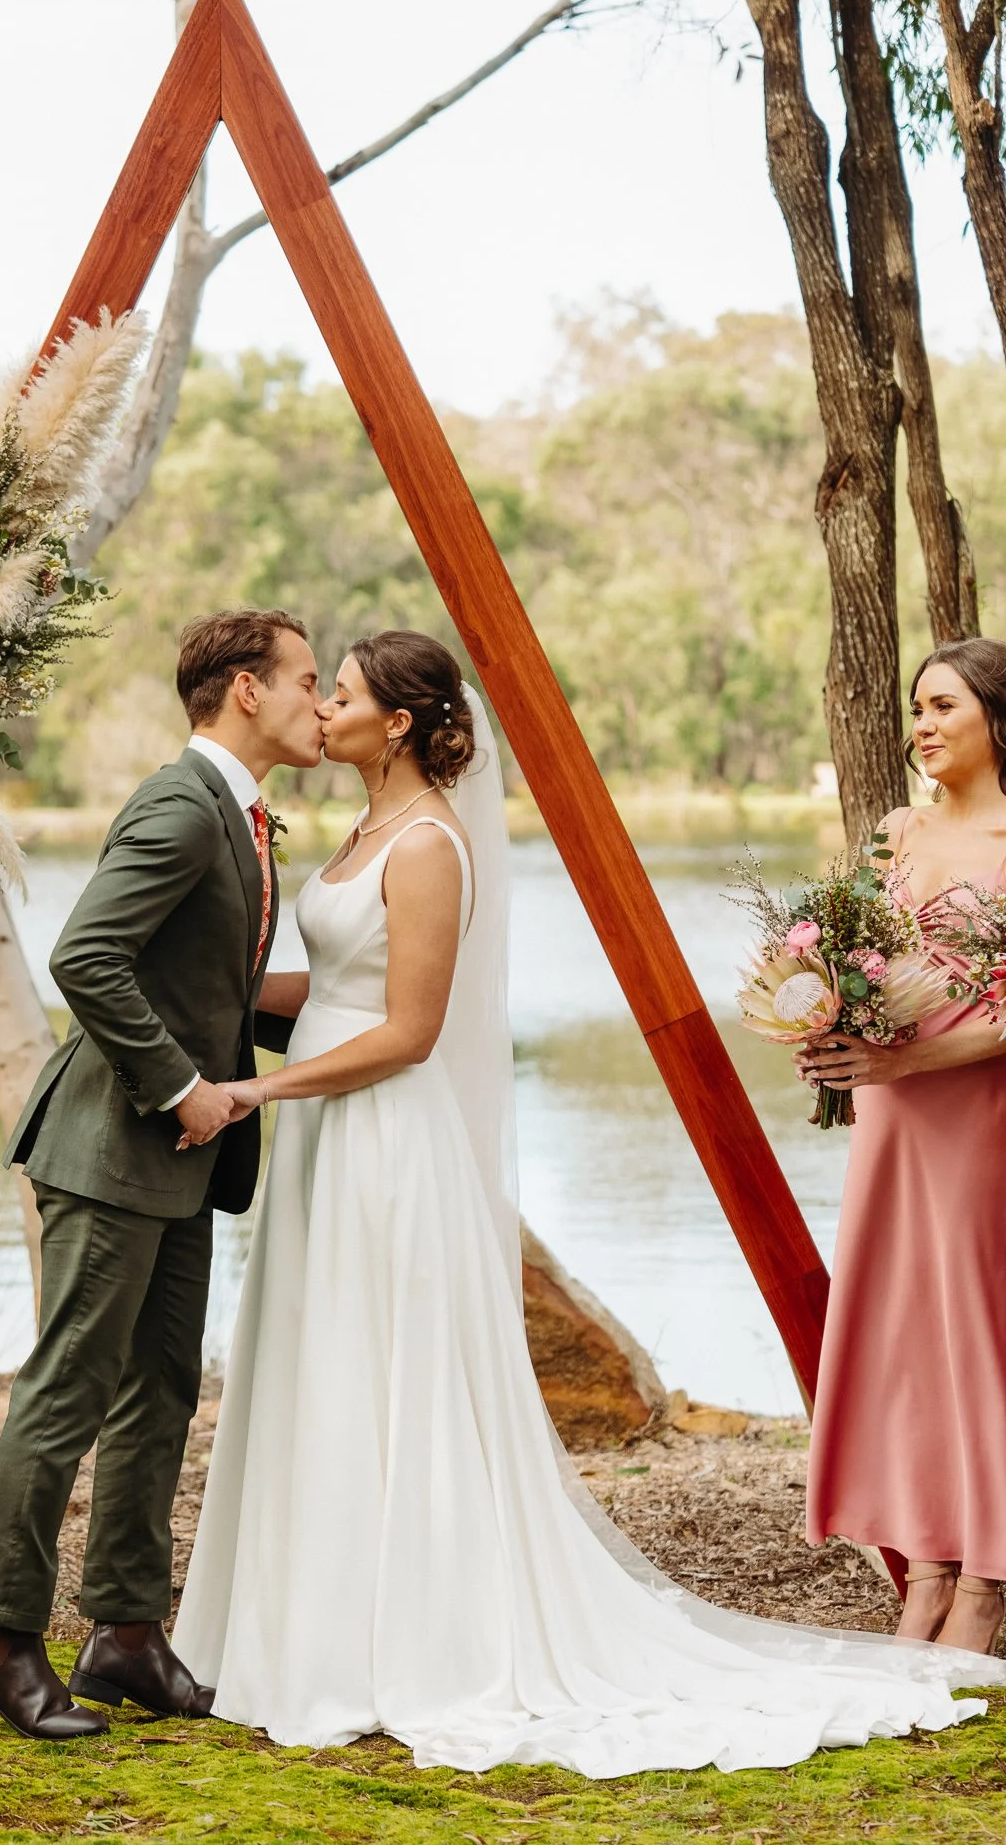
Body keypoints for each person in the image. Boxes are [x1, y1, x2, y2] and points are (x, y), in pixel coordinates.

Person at [171, 628, 1005, 1777]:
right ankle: (305, 1618)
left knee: (391, 1376)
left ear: (400, 721)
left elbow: (409, 1030)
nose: (321, 711)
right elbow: (339, 985)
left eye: (343, 694)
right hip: (328, 1138)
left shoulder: (427, 844)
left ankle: (975, 1575)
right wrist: (196, 987)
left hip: (382, 1137)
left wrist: (251, 1086)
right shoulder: (365, 827)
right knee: (323, 1366)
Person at [0, 608, 323, 1739]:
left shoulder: (241, 818)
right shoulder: (182, 804)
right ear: (244, 691)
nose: (319, 698)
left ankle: (123, 1634)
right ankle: (0, 1640)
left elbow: (207, 982)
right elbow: (84, 957)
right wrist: (181, 1087)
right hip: (116, 1148)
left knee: (160, 1394)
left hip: (180, 1166)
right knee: (67, 1392)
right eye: (307, 677)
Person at [804, 637, 1006, 1656]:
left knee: (972, 1326)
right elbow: (860, 955)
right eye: (918, 709)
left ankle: (986, 1583)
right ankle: (925, 1572)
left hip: (977, 1111)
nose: (922, 726)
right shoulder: (898, 831)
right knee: (902, 1326)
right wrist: (825, 1027)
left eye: (943, 707)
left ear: (995, 720)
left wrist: (900, 1067)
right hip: (888, 1111)